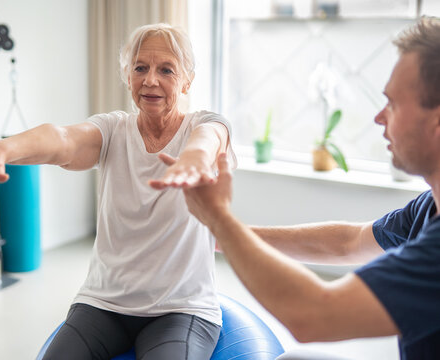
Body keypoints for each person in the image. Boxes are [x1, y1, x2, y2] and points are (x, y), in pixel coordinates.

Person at [0, 23, 236, 360]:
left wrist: (192, 160)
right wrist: (2, 149)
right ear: (127, 75)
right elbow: (62, 139)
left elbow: (208, 142)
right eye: (140, 68)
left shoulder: (205, 125)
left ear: (188, 80)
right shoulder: (113, 130)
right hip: (104, 303)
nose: (150, 80)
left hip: (181, 308)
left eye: (166, 69)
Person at [179, 16, 440, 360]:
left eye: (392, 103)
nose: (379, 117)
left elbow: (314, 316)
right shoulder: (427, 207)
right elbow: (348, 243)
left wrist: (218, 218)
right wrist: (216, 240)